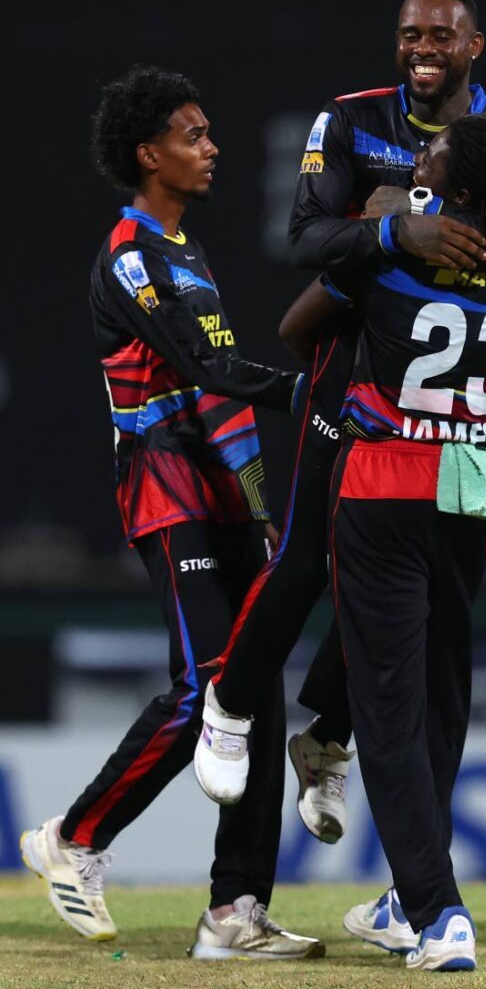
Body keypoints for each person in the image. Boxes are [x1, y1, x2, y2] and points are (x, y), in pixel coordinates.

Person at [193, 0, 486, 844]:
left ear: (475, 47)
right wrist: (400, 230)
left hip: (449, 394)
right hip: (350, 372)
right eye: (409, 35)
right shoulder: (349, 119)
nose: (422, 49)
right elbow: (304, 239)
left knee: (414, 598)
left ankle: (327, 735)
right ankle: (232, 706)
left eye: (441, 36)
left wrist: (402, 217)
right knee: (314, 561)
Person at [18, 65, 323, 962]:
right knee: (210, 683)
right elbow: (208, 370)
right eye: (194, 134)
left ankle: (235, 914)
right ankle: (74, 838)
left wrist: (261, 505)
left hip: (223, 493)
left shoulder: (188, 253)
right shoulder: (129, 257)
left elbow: (221, 403)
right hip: (165, 489)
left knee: (254, 693)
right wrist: (317, 394)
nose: (212, 146)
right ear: (148, 154)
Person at [280, 112, 486, 971]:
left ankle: (439, 914)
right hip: (469, 489)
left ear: (458, 187)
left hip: (383, 483)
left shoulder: (389, 255)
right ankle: (409, 898)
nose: (416, 159)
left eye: (431, 157)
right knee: (439, 696)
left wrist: (379, 234)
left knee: (390, 713)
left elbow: (296, 326)